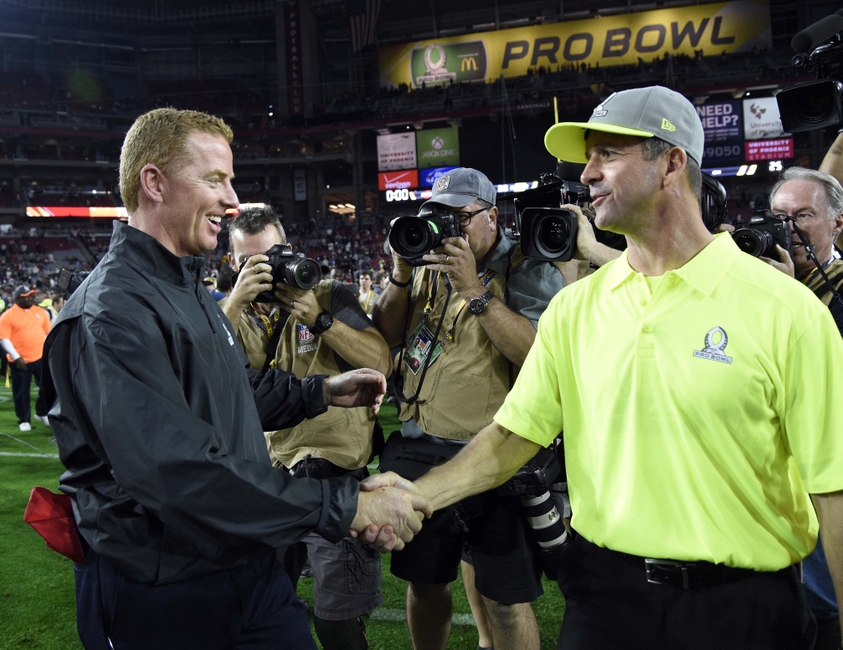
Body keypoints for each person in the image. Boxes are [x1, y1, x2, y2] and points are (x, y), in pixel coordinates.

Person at [365, 86, 843, 650]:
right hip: (602, 600)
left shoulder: (786, 311)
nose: (587, 173)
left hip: (742, 609)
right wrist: (420, 495)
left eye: (609, 154)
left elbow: (831, 492)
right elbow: (512, 436)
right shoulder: (576, 307)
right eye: (588, 156)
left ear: (670, 163)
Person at [42, 107, 430, 650]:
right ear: (153, 183)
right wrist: (343, 505)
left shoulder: (186, 288)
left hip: (245, 564)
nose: (232, 199)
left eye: (231, 180)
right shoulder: (110, 314)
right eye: (214, 179)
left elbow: (224, 388)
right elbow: (175, 472)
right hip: (165, 587)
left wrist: (316, 392)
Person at [372, 167, 565, 650]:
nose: (446, 230)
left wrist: (474, 290)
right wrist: (400, 274)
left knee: (505, 599)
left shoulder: (525, 265)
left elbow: (539, 354)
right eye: (438, 218)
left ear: (492, 218)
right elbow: (387, 337)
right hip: (421, 448)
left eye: (459, 218)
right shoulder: (424, 263)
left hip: (491, 455)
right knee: (425, 582)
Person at [224, 205, 391, 650]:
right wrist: (237, 300)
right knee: (261, 611)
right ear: (232, 265)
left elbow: (379, 363)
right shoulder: (225, 311)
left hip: (333, 476)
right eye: (250, 264)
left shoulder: (328, 292)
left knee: (337, 619)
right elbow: (203, 376)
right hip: (266, 480)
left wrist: (319, 318)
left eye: (273, 256)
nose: (267, 271)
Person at [766, 166, 843, 650]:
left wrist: (788, 293)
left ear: (837, 223)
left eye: (804, 215)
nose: (789, 227)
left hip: (828, 471)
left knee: (825, 600)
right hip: (778, 477)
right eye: (779, 216)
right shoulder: (758, 282)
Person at [0, 285, 51, 430]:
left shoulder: (40, 312)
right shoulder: (8, 315)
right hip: (21, 360)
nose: (30, 298)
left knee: (47, 386)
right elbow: (4, 338)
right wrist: (16, 357)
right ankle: (24, 419)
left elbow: (48, 332)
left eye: (31, 295)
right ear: (17, 298)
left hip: (40, 357)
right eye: (26, 296)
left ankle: (42, 412)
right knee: (21, 391)